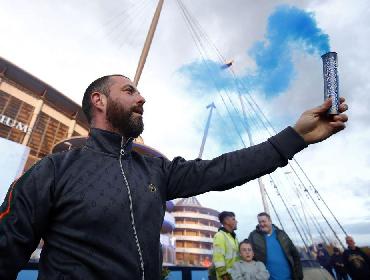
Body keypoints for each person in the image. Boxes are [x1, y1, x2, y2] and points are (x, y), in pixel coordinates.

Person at [0, 74, 348, 279]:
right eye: (130, 91)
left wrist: (296, 137)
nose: (142, 98)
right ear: (99, 101)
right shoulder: (53, 171)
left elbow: (224, 169)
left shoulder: (156, 171)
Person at [248, 212, 303, 280]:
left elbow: (295, 255)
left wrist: (299, 274)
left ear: (270, 221)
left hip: (289, 277)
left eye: (264, 221)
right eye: (259, 222)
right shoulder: (253, 236)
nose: (262, 224)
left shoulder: (281, 234)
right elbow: (248, 257)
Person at [212, 211, 239, 280]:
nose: (236, 221)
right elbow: (218, 259)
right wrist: (224, 276)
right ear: (227, 221)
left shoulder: (234, 238)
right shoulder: (220, 236)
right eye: (233, 219)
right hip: (226, 277)